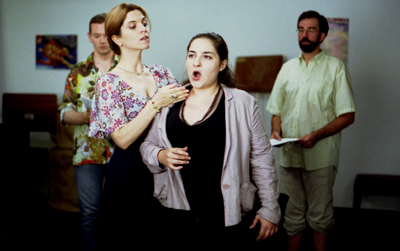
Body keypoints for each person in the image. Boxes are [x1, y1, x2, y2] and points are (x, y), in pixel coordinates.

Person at [140, 32, 280, 248]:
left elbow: (262, 158)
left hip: (225, 213)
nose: (196, 62)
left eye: (207, 57)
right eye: (191, 55)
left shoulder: (243, 103)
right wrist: (161, 155)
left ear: (222, 64)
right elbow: (147, 146)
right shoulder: (169, 101)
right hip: (176, 212)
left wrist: (270, 208)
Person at [87, 3, 189, 250]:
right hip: (128, 172)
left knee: (164, 241)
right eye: (132, 26)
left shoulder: (161, 74)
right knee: (127, 243)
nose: (144, 29)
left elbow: (184, 117)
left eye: (144, 23)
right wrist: (155, 103)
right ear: (117, 38)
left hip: (165, 166)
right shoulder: (109, 82)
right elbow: (121, 139)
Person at [266, 10, 356, 251]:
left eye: (311, 30)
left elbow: (348, 115)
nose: (305, 35)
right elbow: (276, 111)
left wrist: (317, 135)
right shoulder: (287, 69)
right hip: (289, 155)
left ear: (323, 35)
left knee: (320, 216)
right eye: (301, 29)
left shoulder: (336, 68)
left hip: (321, 156)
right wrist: (276, 131)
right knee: (292, 216)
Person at [59, 13, 118, 251]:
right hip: (86, 152)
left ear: (114, 36)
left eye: (106, 35)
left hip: (121, 150)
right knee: (90, 214)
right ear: (89, 37)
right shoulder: (77, 71)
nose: (102, 40)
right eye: (97, 35)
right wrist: (87, 117)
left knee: (119, 213)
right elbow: (64, 111)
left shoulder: (127, 68)